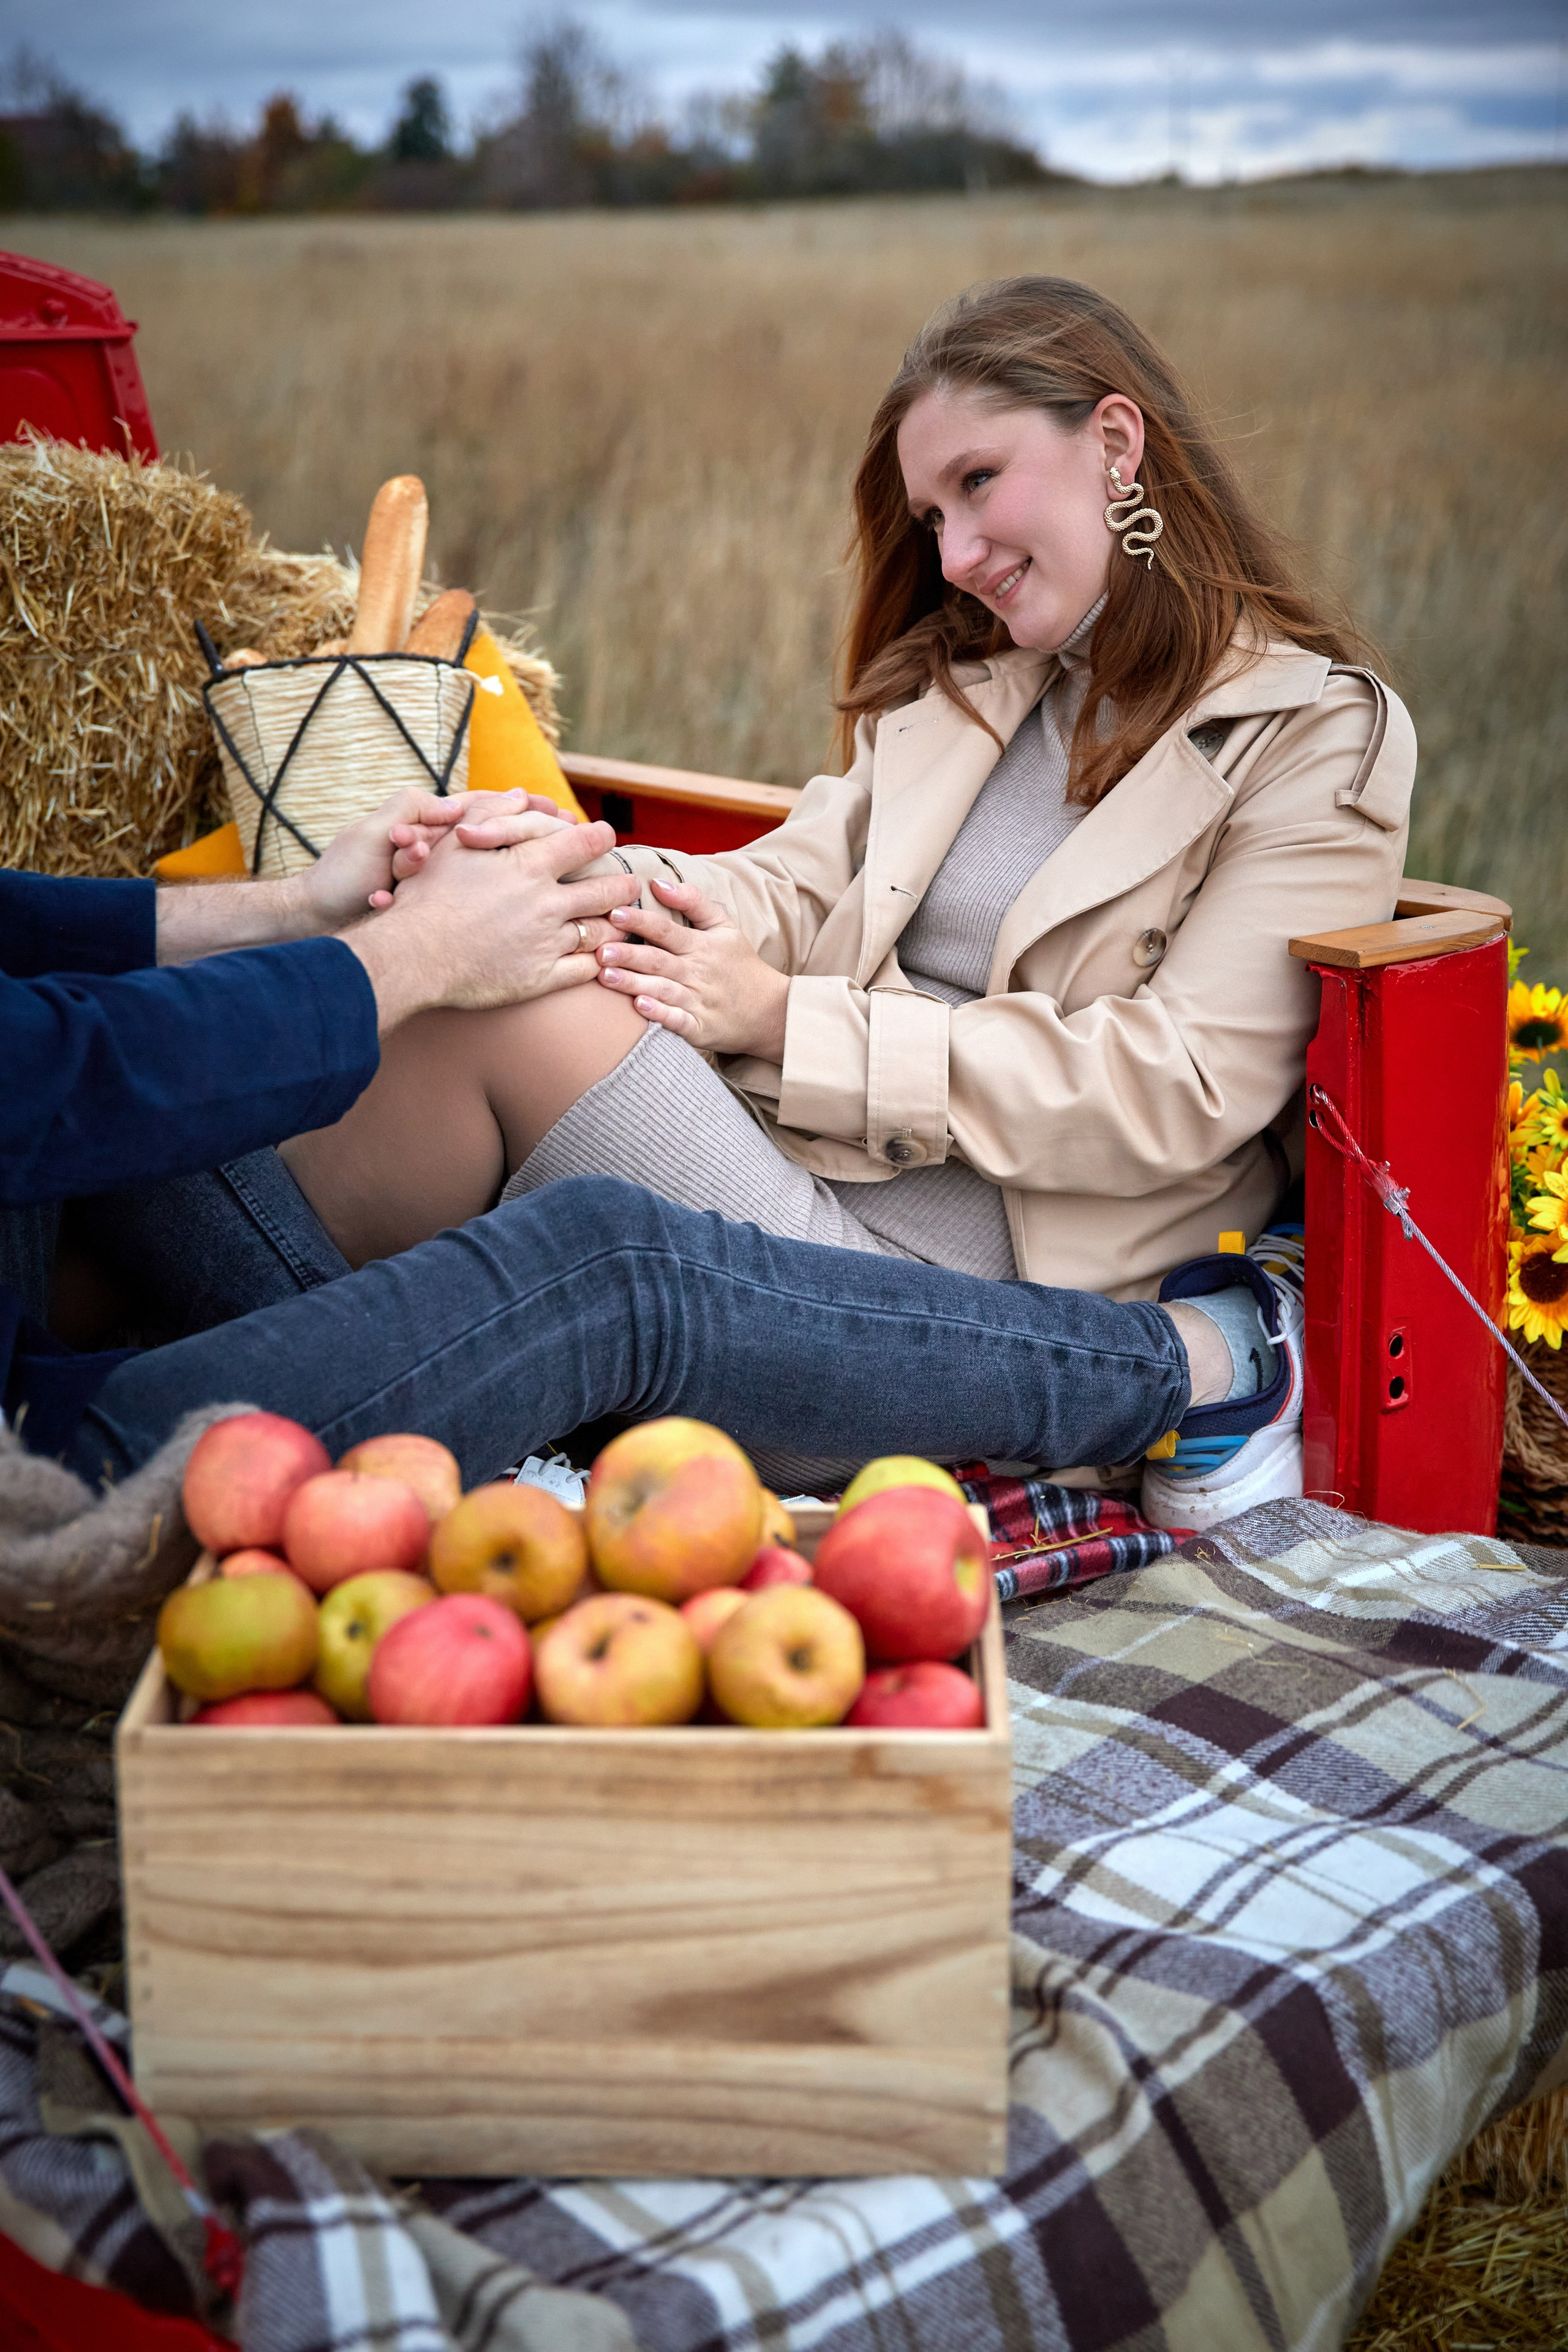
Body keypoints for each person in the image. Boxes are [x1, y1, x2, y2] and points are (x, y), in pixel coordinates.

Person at [280, 275, 1415, 1523]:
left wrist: (779, 1022)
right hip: (788, 1155)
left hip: (984, 1302)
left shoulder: (1312, 734)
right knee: (484, 953)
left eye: (977, 484)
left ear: (1112, 442)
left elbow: (1180, 1085)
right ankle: (222, 1397)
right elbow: (784, 880)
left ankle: (228, 1423)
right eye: (930, 515)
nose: (954, 556)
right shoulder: (974, 684)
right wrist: (569, 868)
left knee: (506, 1013)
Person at [0, 785, 1197, 1498]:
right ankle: (1183, 1367)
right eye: (938, 507)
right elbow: (51, 1071)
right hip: (40, 1449)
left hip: (49, 1229)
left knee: (480, 1019)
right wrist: (409, 956)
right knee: (613, 1268)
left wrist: (299, 909)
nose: (952, 549)